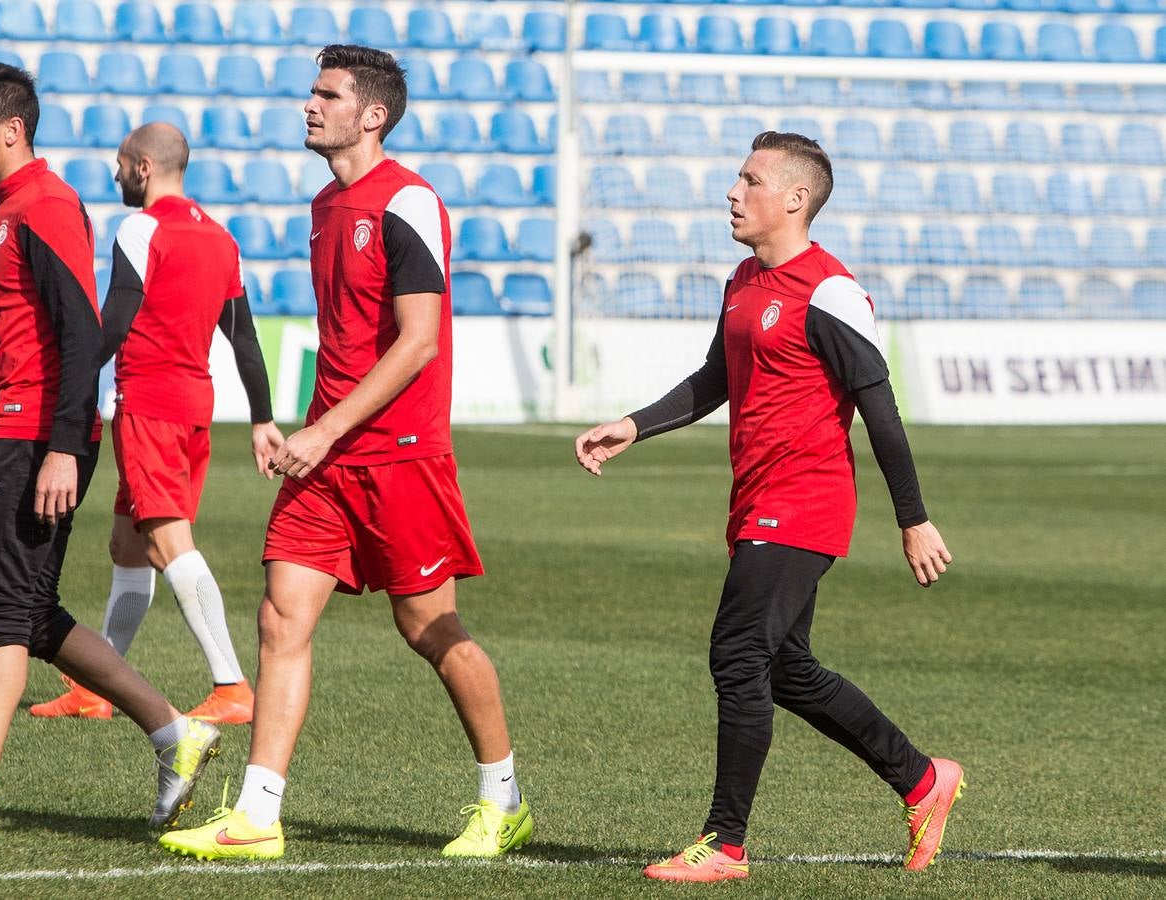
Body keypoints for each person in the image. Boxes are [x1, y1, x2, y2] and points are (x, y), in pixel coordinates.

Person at [158, 45, 532, 861]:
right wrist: (311, 430)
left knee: (429, 626)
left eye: (327, 94)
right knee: (280, 615)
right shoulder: (328, 203)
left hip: (399, 453)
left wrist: (325, 429)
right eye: (312, 92)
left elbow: (419, 341)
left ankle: (502, 797)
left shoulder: (408, 202)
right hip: (326, 458)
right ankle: (258, 814)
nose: (309, 104)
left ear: (373, 114)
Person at [574, 131, 962, 883]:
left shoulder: (831, 292)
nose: (733, 192)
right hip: (755, 500)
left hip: (806, 499)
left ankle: (725, 844)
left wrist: (912, 517)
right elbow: (715, 376)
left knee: (737, 654)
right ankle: (922, 780)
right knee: (787, 671)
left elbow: (881, 412)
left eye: (749, 180)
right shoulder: (744, 281)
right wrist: (635, 424)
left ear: (795, 198)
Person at [0, 64, 220, 834]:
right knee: (26, 614)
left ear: (11, 130)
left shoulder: (47, 206)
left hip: (35, 438)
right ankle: (176, 731)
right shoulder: (10, 210)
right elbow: (17, 343)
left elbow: (81, 334)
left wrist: (64, 445)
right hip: (15, 426)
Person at [29, 122, 284, 725]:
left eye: (121, 165)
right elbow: (242, 336)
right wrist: (262, 418)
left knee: (170, 545)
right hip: (194, 409)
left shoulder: (141, 228)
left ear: (143, 167)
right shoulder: (221, 239)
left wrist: (65, 382)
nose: (116, 176)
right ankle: (99, 686)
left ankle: (232, 687)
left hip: (149, 407)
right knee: (129, 546)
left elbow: (112, 323)